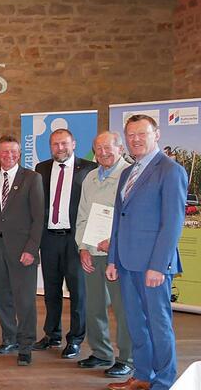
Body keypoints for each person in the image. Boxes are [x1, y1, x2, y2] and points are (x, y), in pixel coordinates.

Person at [106, 115, 187, 390]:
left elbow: (173, 223)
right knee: (135, 324)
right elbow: (120, 217)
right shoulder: (128, 172)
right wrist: (113, 258)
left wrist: (158, 265)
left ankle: (164, 381)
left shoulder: (170, 170)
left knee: (158, 325)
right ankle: (142, 376)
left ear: (157, 134)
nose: (136, 139)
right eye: (131, 135)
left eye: (142, 133)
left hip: (153, 266)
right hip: (127, 262)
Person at [0, 135, 44, 366]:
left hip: (22, 252)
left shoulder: (32, 178)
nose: (9, 156)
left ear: (19, 154)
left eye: (13, 152)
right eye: (4, 152)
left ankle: (26, 345)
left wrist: (31, 249)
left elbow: (38, 219)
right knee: (3, 297)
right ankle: (9, 338)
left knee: (25, 300)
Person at [33, 129, 96, 358]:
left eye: (64, 143)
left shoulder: (89, 169)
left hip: (75, 239)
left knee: (78, 292)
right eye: (55, 144)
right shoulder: (42, 169)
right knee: (51, 291)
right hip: (49, 238)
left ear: (74, 143)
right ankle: (52, 334)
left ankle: (76, 339)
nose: (60, 148)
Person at [75, 132, 133, 378]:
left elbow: (131, 217)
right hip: (92, 252)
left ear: (120, 148)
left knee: (122, 308)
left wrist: (115, 243)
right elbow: (82, 215)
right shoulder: (90, 177)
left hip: (118, 254)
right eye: (98, 149)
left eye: (108, 148)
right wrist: (83, 248)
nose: (103, 153)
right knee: (94, 306)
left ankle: (127, 358)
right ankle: (101, 352)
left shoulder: (130, 175)